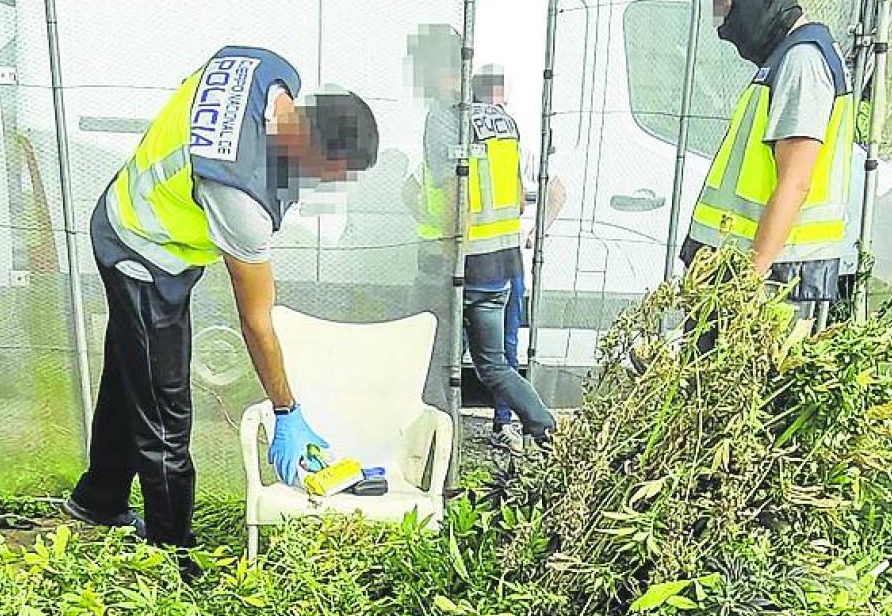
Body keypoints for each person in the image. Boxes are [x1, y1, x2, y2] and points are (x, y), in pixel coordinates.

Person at [64, 46, 379, 550]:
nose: (323, 185)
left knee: (132, 369)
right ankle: (173, 554)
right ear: (309, 142)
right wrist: (286, 412)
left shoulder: (267, 69)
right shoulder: (239, 197)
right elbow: (256, 319)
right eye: (328, 172)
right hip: (142, 248)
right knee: (166, 413)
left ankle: (99, 499)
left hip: (132, 206)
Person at [680, 0, 855, 350]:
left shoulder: (802, 64)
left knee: (732, 401)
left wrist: (750, 279)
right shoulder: (784, 61)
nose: (724, 30)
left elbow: (795, 182)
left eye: (728, 10)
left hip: (772, 280)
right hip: (740, 272)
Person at [403, 27, 557, 458]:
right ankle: (550, 432)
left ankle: (435, 451)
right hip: (501, 266)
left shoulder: (443, 117)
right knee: (493, 365)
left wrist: (450, 250)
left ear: (433, 68)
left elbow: (454, 192)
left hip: (457, 267)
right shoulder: (499, 118)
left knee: (433, 363)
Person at [470, 64, 568, 451]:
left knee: (440, 356)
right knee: (500, 356)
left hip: (463, 263)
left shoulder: (454, 132)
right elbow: (557, 190)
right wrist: (534, 234)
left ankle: (440, 428)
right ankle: (511, 425)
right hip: (505, 263)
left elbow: (414, 189)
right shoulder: (514, 140)